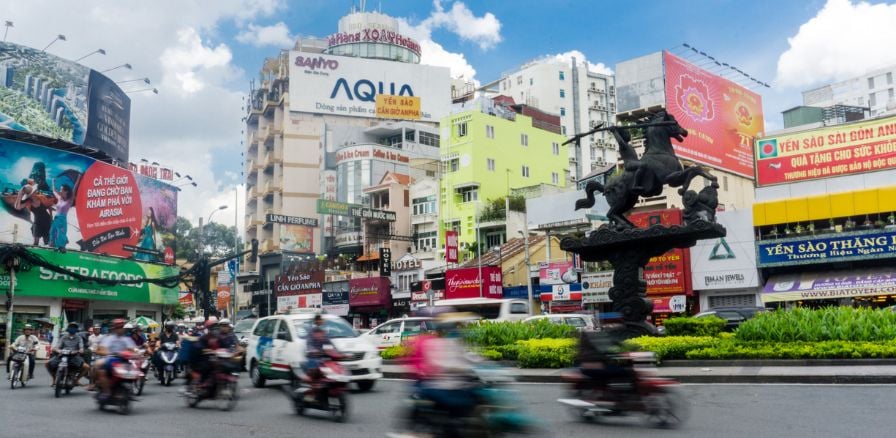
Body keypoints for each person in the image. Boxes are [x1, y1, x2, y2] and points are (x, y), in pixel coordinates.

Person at [406, 312, 479, 417]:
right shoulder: (434, 344)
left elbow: (470, 357)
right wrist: (461, 368)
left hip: (457, 384)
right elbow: (438, 363)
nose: (456, 331)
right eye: (454, 328)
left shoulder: (456, 343)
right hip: (442, 386)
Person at [95, 319, 137, 399]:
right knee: (102, 371)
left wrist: (137, 353)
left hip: (124, 361)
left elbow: (133, 349)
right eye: (118, 327)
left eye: (121, 327)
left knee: (135, 371)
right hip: (112, 360)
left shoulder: (127, 339)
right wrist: (107, 353)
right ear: (114, 328)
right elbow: (102, 349)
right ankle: (106, 391)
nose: (120, 329)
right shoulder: (109, 339)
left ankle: (130, 389)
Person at [49, 176, 79, 251]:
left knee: (61, 236)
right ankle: (52, 249)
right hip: (56, 219)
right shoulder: (59, 198)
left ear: (66, 191)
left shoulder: (69, 200)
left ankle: (62, 247)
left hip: (62, 220)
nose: (60, 190)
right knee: (52, 234)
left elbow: (74, 190)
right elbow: (54, 190)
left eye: (61, 189)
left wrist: (78, 179)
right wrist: (53, 181)